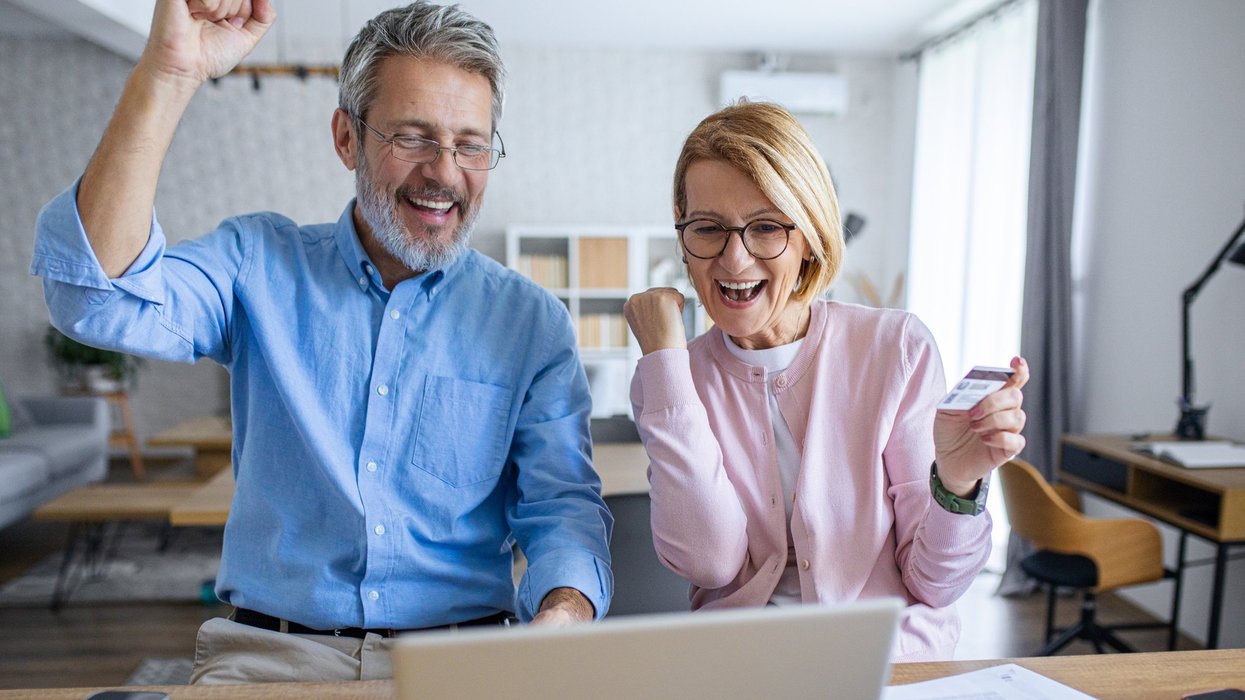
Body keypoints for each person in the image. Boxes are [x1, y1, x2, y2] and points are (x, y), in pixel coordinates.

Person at [32, 0, 612, 684]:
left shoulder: (530, 321)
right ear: (346, 139)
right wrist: (169, 73)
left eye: (470, 143)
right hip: (270, 658)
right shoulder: (257, 262)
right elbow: (95, 299)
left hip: (462, 660)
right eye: (413, 137)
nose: (445, 172)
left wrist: (563, 611)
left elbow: (559, 507)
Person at [623, 101, 1027, 662]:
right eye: (709, 228)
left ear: (810, 233)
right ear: (682, 229)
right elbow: (707, 560)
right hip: (744, 669)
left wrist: (955, 486)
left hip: (888, 670)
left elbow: (936, 584)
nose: (734, 261)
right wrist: (666, 360)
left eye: (766, 228)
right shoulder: (671, 377)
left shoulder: (896, 350)